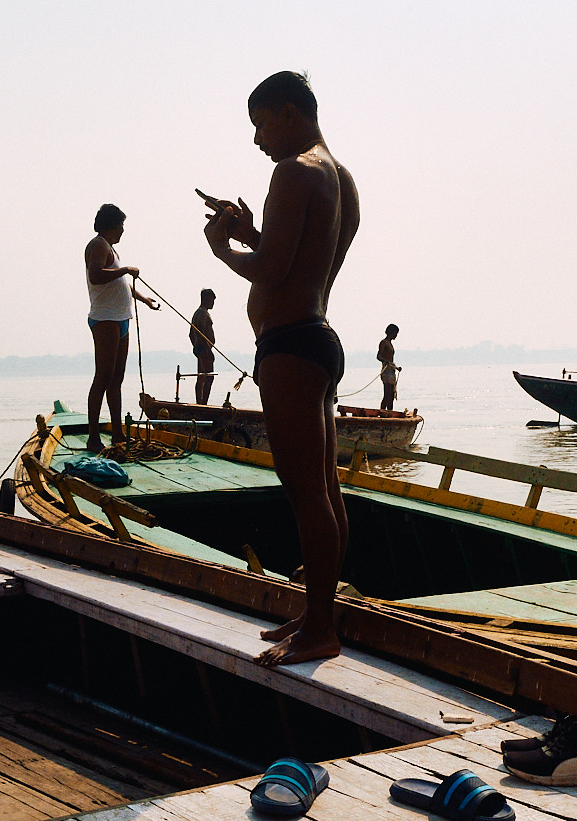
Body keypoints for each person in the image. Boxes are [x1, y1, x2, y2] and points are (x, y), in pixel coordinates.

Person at [203, 70, 360, 668]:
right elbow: (306, 260)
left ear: (289, 112)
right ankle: (319, 613)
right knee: (327, 492)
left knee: (305, 496)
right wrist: (253, 231)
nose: (258, 140)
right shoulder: (340, 177)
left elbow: (272, 272)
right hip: (316, 340)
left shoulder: (292, 171)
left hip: (291, 346)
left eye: (261, 124)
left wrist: (225, 250)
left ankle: (320, 631)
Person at [85, 203, 160, 452]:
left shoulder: (112, 249)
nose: (122, 231)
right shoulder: (97, 245)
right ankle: (93, 436)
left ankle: (117, 433)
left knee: (116, 378)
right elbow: (96, 275)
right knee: (103, 377)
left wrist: (144, 298)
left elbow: (120, 284)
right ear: (110, 225)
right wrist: (126, 269)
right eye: (120, 226)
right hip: (105, 319)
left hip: (121, 319)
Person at [189, 288, 217, 405]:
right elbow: (199, 332)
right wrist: (205, 349)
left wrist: (197, 347)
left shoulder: (200, 313)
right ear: (206, 299)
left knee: (201, 376)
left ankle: (201, 403)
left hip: (201, 348)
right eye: (211, 300)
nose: (213, 303)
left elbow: (191, 334)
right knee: (208, 376)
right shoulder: (201, 313)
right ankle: (203, 403)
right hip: (203, 349)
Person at [377, 323, 401, 411]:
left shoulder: (390, 344)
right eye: (395, 333)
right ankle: (382, 412)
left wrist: (397, 368)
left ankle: (390, 413)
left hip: (391, 370)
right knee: (387, 394)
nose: (396, 335)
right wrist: (385, 361)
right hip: (386, 371)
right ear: (391, 332)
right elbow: (378, 356)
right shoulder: (384, 342)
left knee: (391, 395)